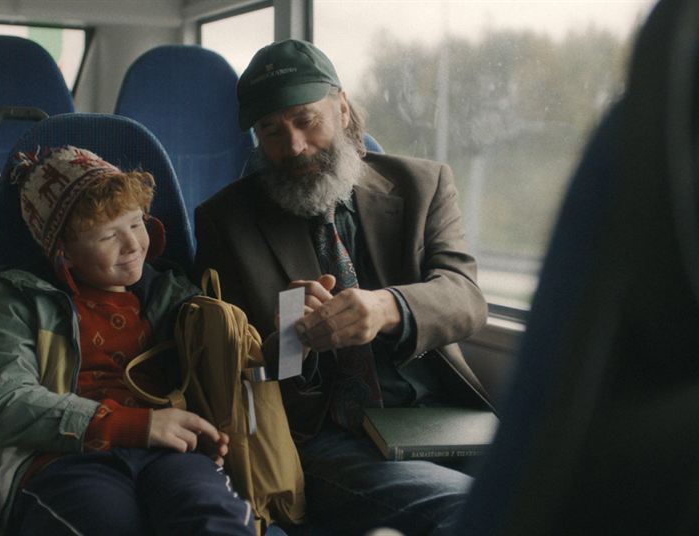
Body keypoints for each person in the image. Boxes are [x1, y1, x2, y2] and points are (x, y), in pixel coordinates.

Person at [193, 39, 494, 535]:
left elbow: (466, 297)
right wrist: (295, 339)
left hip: (444, 417)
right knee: (468, 509)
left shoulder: (423, 185)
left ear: (343, 107)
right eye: (271, 131)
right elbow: (230, 375)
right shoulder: (226, 223)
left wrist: (387, 307)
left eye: (307, 120)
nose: (292, 146)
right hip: (326, 436)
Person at [0, 146, 254, 536]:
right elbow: (3, 404)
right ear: (64, 251)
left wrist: (282, 334)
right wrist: (134, 425)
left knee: (213, 516)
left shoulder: (173, 294)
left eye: (136, 224)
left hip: (169, 452)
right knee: (103, 522)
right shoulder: (18, 301)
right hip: (65, 456)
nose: (132, 245)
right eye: (108, 235)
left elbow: (236, 355)